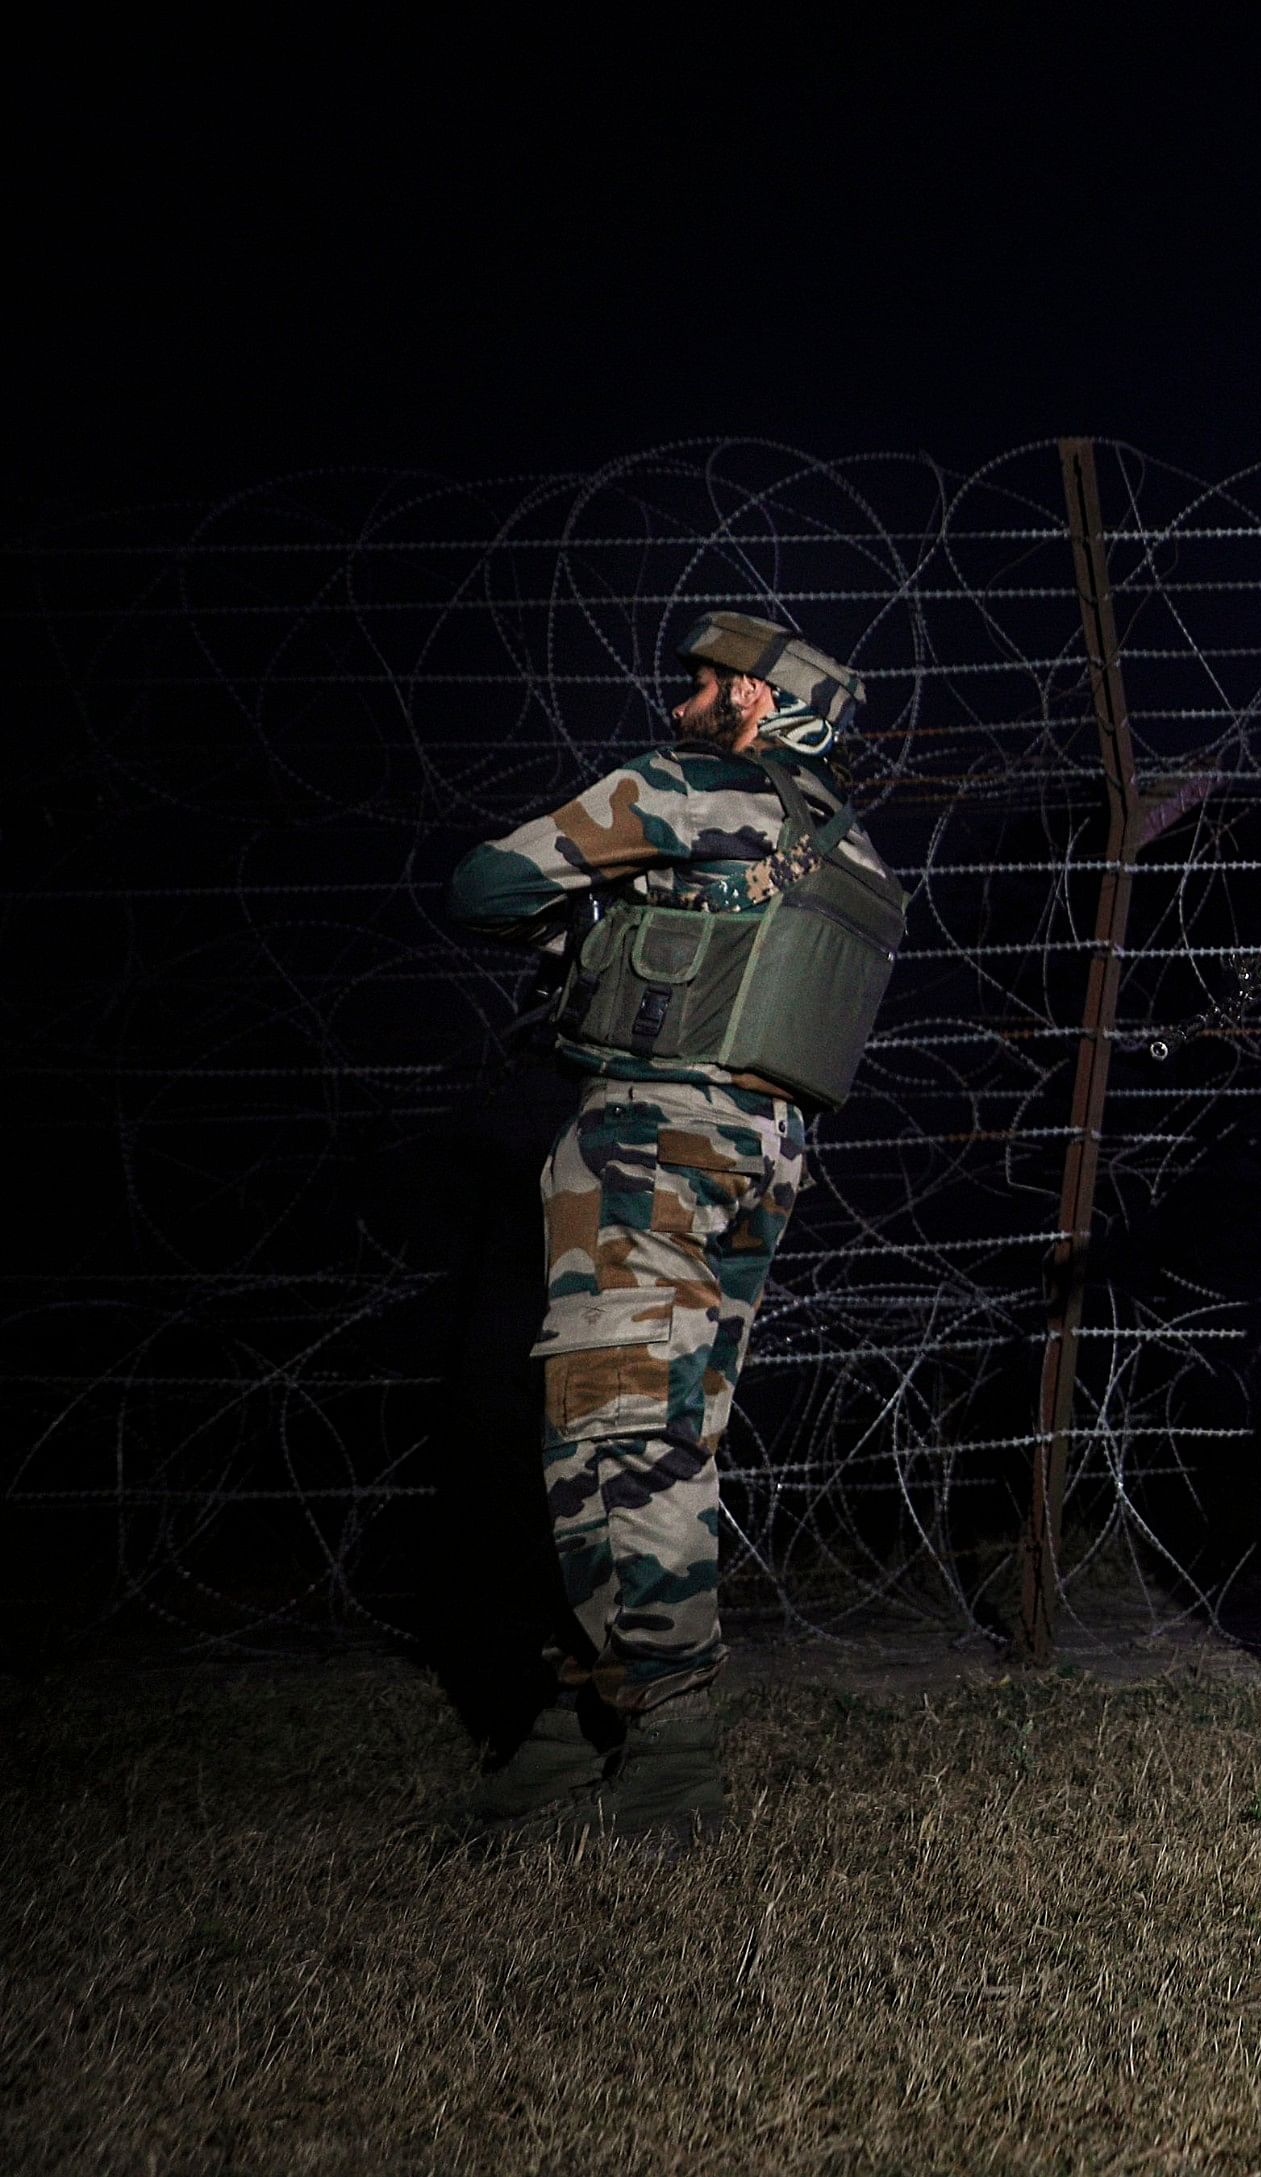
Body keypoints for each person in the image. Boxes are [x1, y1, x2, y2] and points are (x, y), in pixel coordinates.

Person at [440, 611, 899, 1851]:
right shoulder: (847, 846)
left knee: (616, 1431)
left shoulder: (686, 788)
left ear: (758, 702)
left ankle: (669, 1742)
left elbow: (484, 884)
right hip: (763, 1155)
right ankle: (586, 1709)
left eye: (710, 680)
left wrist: (594, 919)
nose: (689, 696)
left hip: (649, 1146)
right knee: (668, 1426)